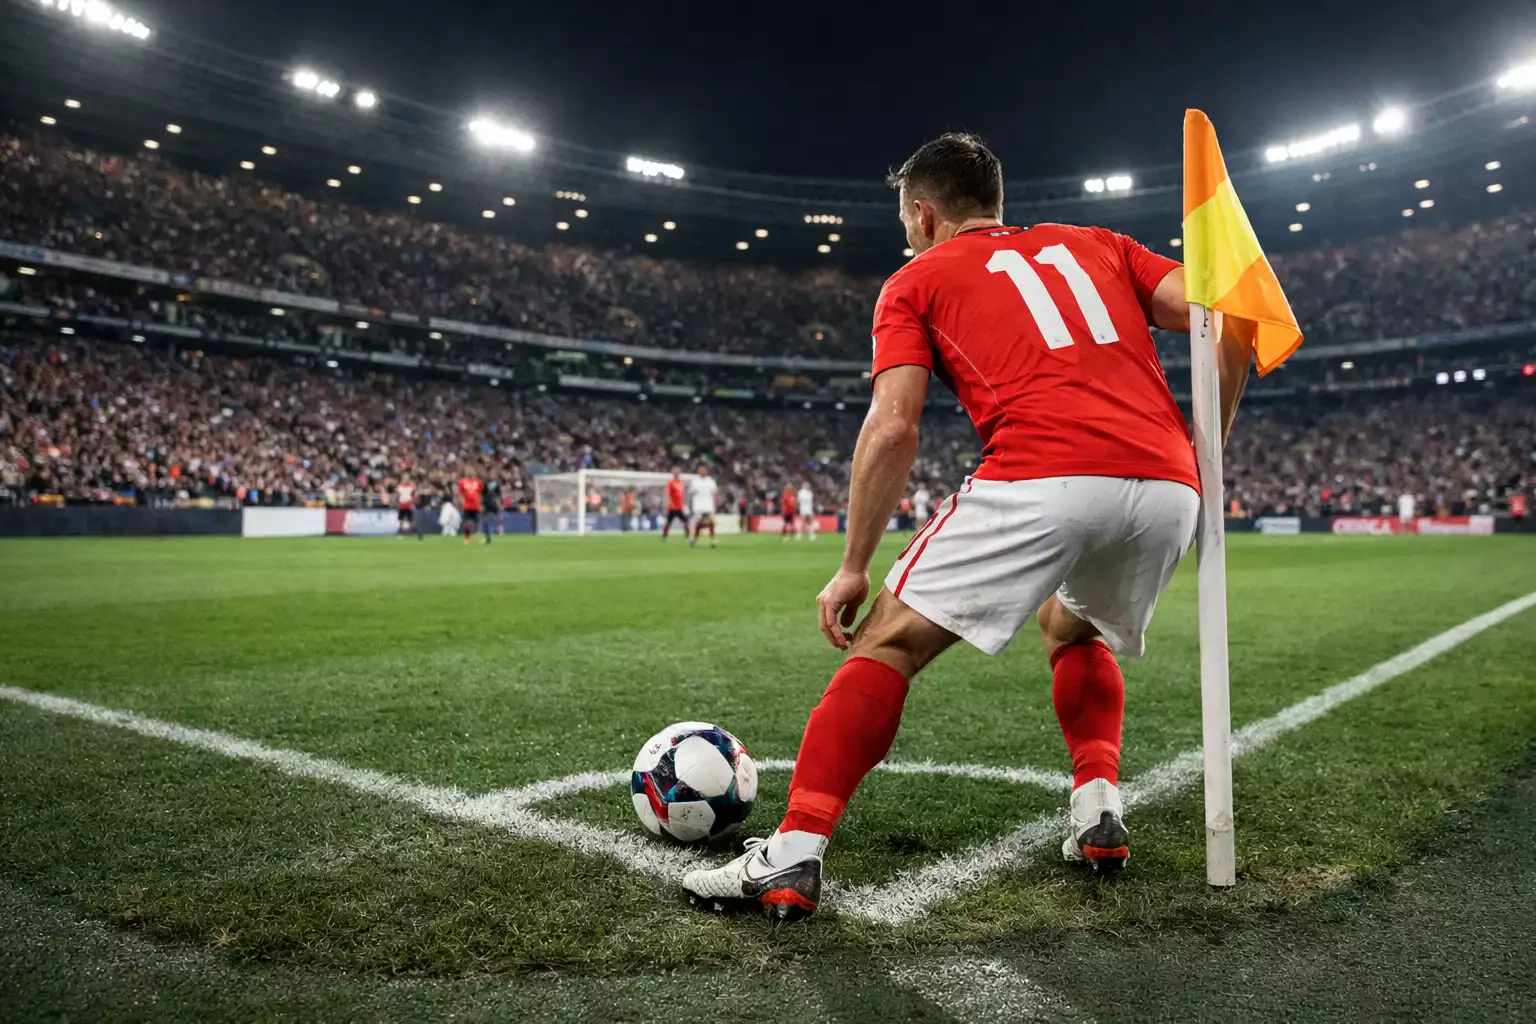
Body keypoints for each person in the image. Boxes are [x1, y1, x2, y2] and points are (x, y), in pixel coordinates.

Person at [683, 132, 1255, 921]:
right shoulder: (1099, 245)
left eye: (904, 219)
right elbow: (1226, 317)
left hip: (1043, 473)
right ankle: (1097, 811)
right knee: (1072, 627)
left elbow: (893, 426)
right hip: (1167, 486)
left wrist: (853, 564)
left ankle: (791, 854)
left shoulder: (915, 279)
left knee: (889, 639)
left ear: (923, 214)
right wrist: (1205, 452)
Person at [687, 465, 719, 548]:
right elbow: (690, 493)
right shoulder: (695, 482)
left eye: (703, 470)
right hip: (698, 506)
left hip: (708, 506)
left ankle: (713, 540)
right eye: (700, 470)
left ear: (706, 472)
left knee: (711, 523)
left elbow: (715, 492)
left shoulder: (711, 481)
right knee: (698, 524)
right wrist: (693, 494)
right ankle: (694, 539)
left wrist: (714, 503)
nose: (701, 472)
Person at [456, 471, 484, 546]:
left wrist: (480, 504)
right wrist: (462, 502)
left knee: (478, 521)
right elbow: (460, 493)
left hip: (475, 505)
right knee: (467, 523)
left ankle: (479, 536)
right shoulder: (462, 482)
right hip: (467, 506)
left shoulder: (478, 482)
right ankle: (467, 538)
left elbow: (480, 493)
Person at [661, 467, 689, 542]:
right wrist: (669, 503)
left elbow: (681, 494)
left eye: (678, 472)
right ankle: (664, 537)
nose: (676, 473)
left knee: (684, 520)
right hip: (672, 506)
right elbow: (668, 494)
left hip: (679, 506)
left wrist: (684, 502)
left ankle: (664, 537)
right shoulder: (670, 483)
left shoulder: (681, 482)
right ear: (673, 473)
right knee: (670, 522)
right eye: (675, 472)